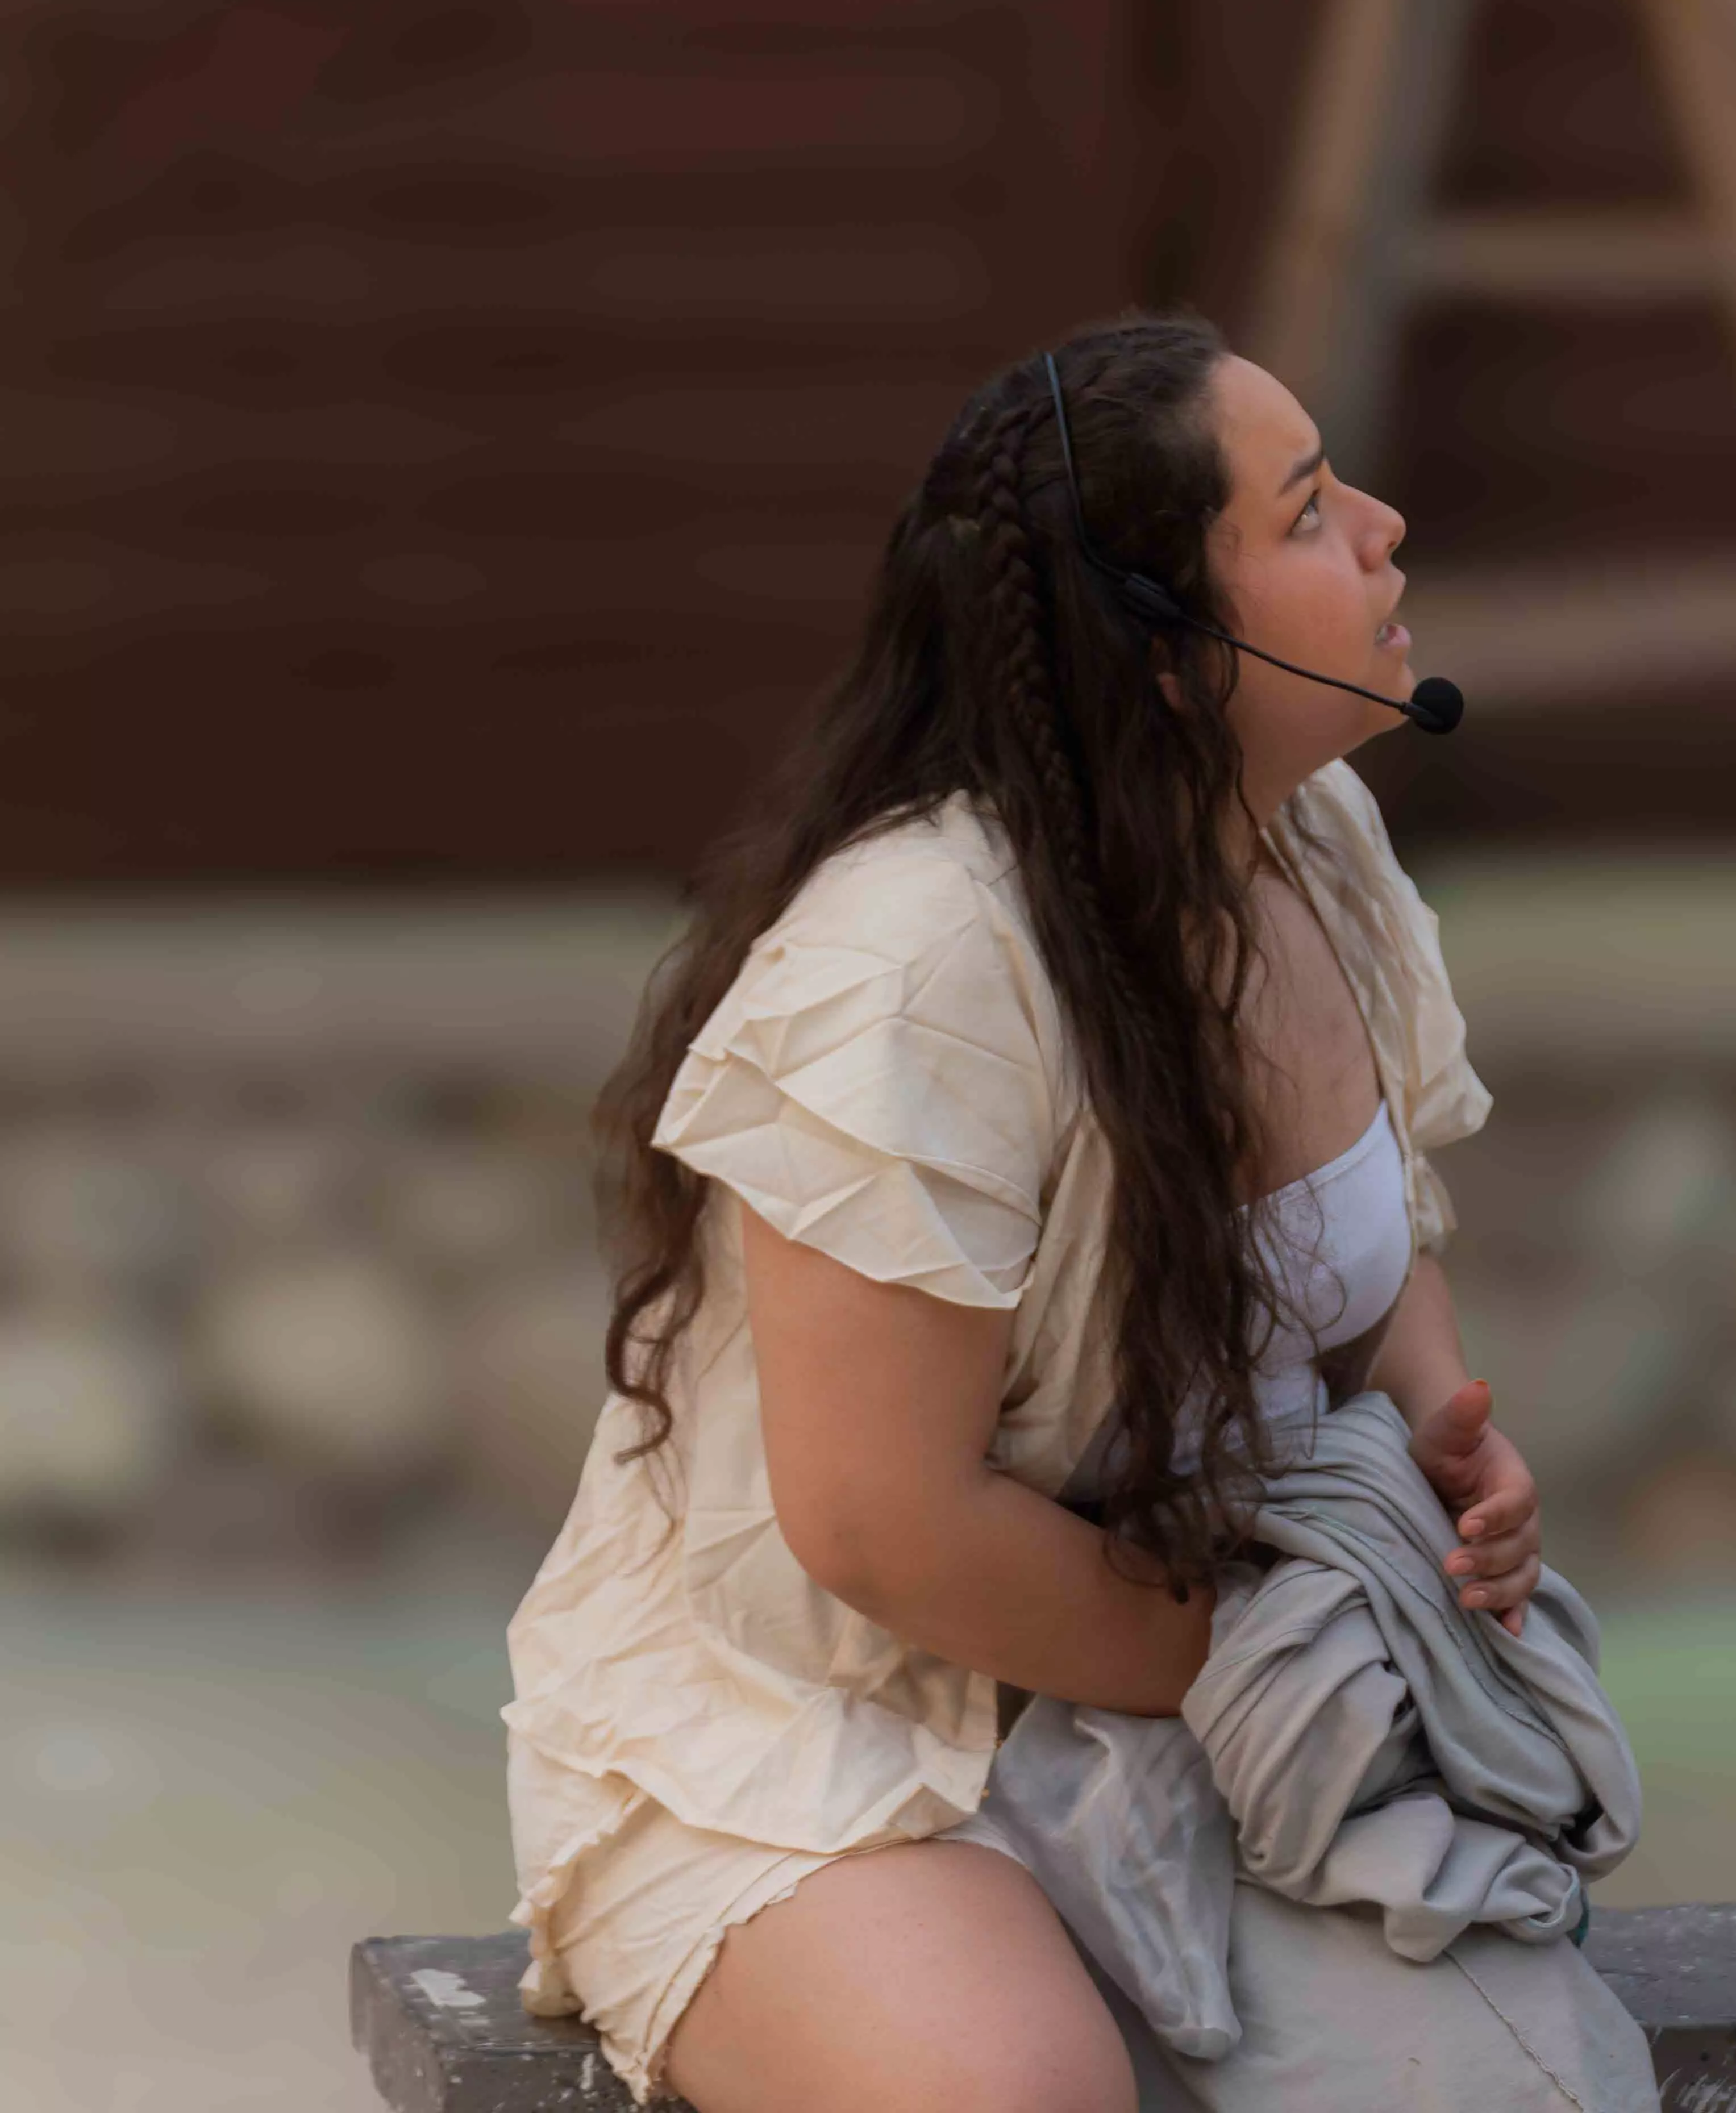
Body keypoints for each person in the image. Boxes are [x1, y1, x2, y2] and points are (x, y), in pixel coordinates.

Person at [505, 318, 1548, 2111]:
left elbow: (1382, 1264)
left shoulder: (1322, 846)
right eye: (1305, 516)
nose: (1383, 530)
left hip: (1196, 1670)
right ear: (1160, 646)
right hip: (834, 1730)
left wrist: (1443, 1465)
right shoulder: (914, 964)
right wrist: (1273, 1662)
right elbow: (883, 1527)